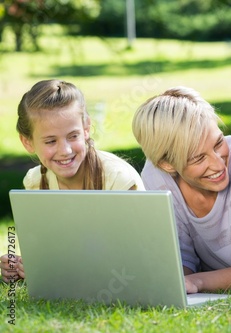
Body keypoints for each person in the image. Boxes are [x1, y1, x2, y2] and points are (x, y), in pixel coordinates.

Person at [131, 86, 231, 294]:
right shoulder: (156, 176)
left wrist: (197, 282)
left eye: (218, 143)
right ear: (167, 164)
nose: (218, 164)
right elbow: (181, 259)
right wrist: (181, 281)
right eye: (198, 158)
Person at [0, 79, 145, 283]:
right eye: (51, 141)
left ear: (86, 128)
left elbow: (139, 258)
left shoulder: (119, 180)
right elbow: (49, 256)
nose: (65, 150)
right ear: (27, 141)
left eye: (73, 136)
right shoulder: (34, 182)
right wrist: (23, 266)